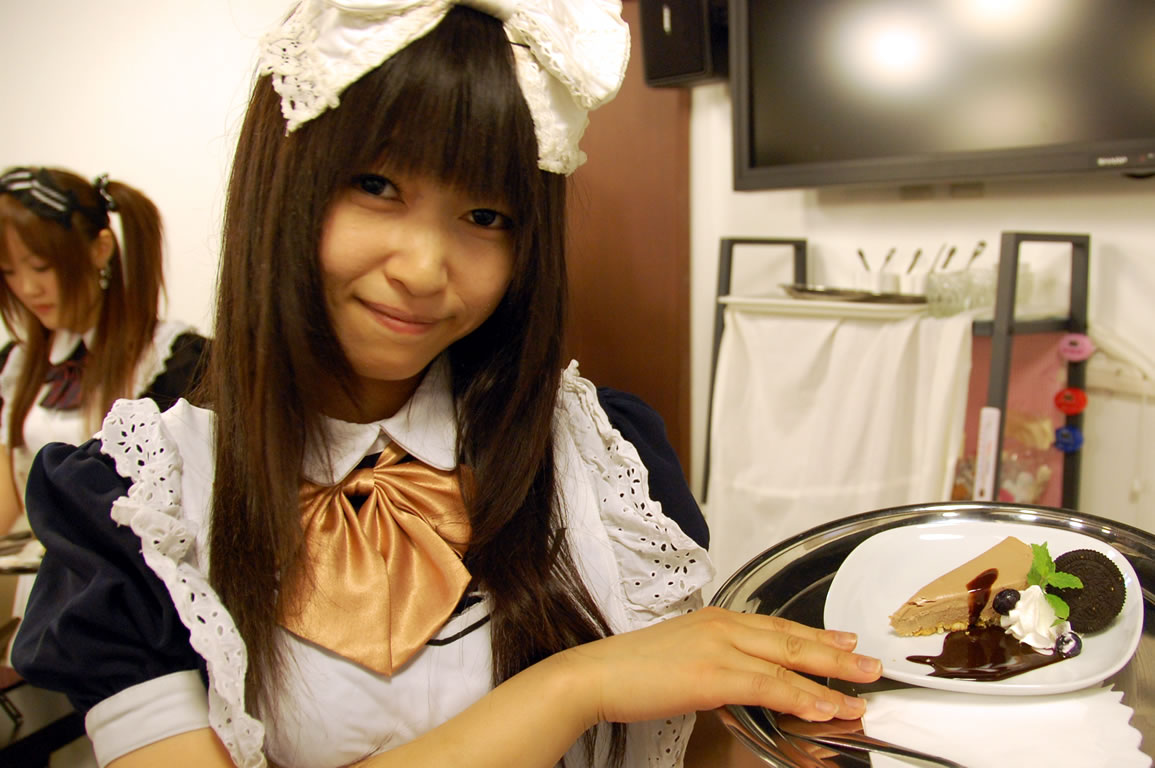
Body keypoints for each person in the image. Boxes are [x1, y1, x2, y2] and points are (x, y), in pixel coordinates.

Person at [11, 2, 882, 767]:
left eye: (485, 215)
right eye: (376, 185)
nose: (425, 268)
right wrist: (573, 688)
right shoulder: (133, 508)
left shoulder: (606, 458)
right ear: (282, 183)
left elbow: (689, 726)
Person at [0, 166, 208, 538]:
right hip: (38, 568)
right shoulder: (15, 365)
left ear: (101, 249)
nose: (28, 288)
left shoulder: (176, 362)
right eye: (8, 271)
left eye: (41, 267)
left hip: (130, 568)